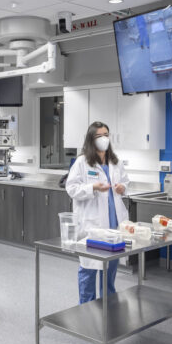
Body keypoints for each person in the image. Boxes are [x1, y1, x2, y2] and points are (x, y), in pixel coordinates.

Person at [66, 121, 130, 304]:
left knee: (110, 268)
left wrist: (122, 188)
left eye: (106, 135)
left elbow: (126, 182)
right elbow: (71, 188)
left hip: (113, 224)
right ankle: (86, 306)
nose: (104, 139)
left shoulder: (115, 162)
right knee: (89, 268)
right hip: (92, 225)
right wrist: (92, 187)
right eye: (99, 136)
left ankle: (108, 305)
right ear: (91, 139)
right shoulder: (82, 162)